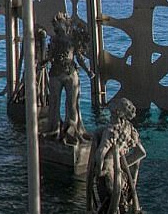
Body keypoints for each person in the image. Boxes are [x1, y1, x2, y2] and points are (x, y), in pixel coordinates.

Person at [87, 98, 146, 214]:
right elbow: (141, 152)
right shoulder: (128, 127)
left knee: (114, 197)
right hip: (121, 167)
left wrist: (98, 170)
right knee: (122, 197)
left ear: (116, 112)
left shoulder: (111, 131)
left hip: (109, 170)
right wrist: (126, 165)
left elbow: (100, 153)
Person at [43, 11, 93, 143]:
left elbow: (79, 57)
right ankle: (54, 128)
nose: (56, 27)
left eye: (58, 23)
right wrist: (42, 63)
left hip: (70, 72)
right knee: (54, 102)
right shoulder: (54, 40)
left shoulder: (73, 39)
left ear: (65, 23)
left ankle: (73, 129)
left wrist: (88, 71)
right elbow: (49, 56)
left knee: (72, 103)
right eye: (55, 25)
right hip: (55, 73)